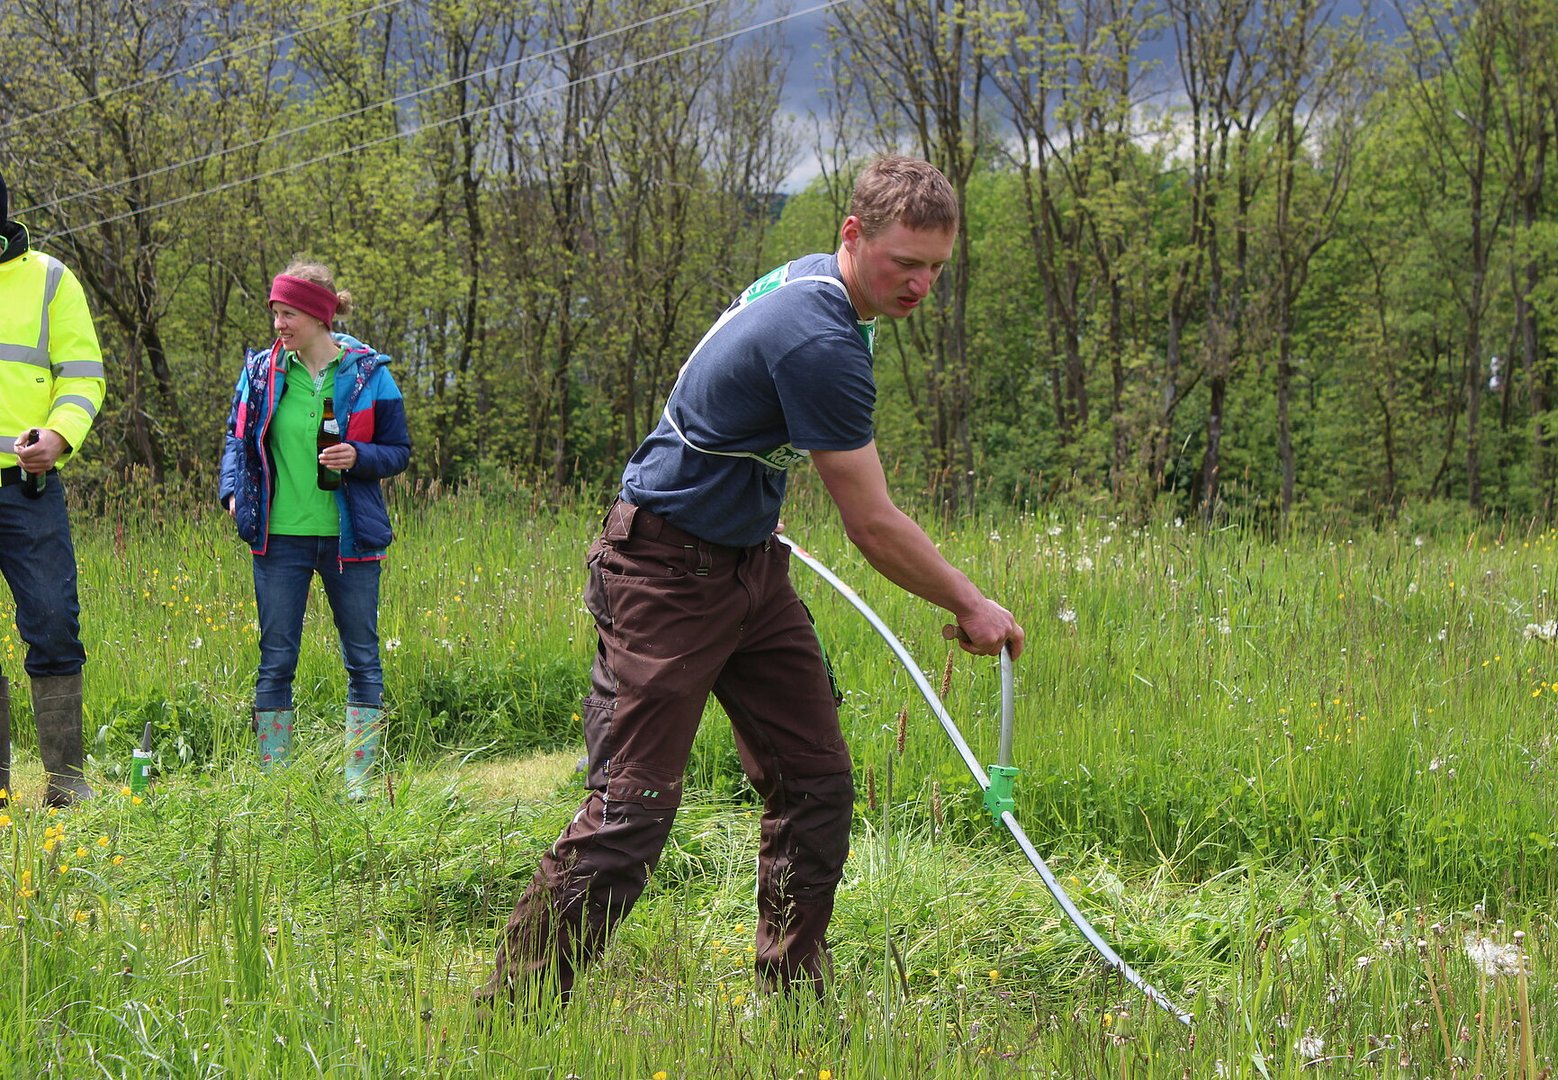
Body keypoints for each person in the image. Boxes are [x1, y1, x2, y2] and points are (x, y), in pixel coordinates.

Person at [480, 155, 1025, 1008]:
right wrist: (969, 602)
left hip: (749, 566)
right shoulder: (820, 337)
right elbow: (872, 523)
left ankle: (792, 996)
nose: (921, 285)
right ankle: (513, 1010)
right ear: (854, 235)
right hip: (663, 575)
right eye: (905, 263)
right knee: (632, 811)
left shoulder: (831, 291)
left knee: (815, 785)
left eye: (936, 268)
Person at [218, 260, 411, 797]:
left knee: (363, 660)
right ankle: (276, 786)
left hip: (351, 539)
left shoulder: (370, 374)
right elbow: (236, 438)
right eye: (276, 313)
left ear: (320, 317)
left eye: (290, 314)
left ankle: (360, 786)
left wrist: (360, 456)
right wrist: (232, 492)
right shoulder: (261, 373)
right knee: (276, 661)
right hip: (278, 537)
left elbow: (398, 451)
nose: (278, 324)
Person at [0, 170, 106, 808]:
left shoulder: (50, 279)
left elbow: (84, 376)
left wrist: (61, 436)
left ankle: (66, 783)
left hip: (28, 489)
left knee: (54, 626)